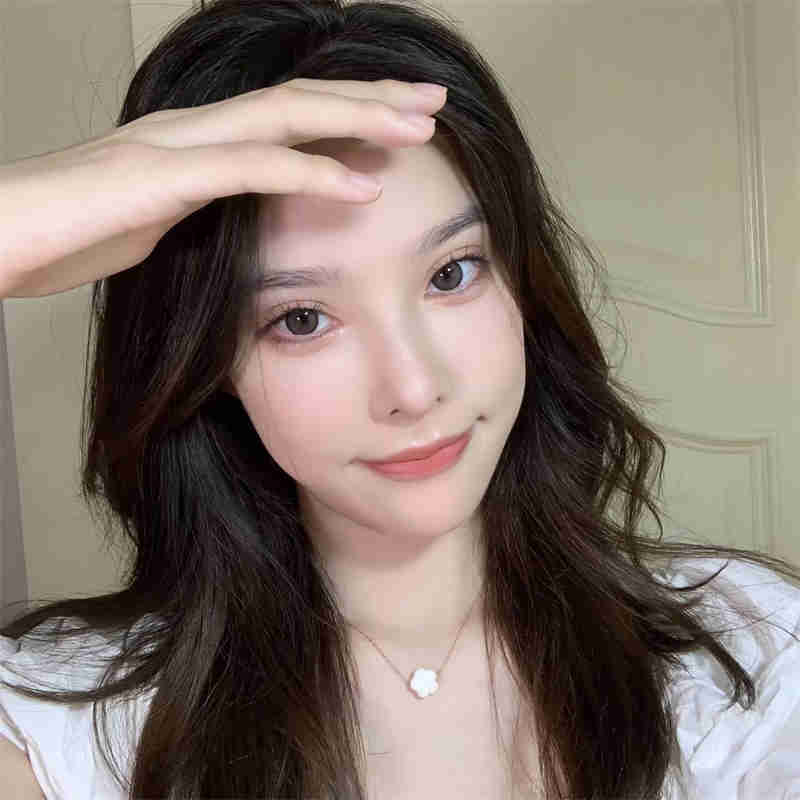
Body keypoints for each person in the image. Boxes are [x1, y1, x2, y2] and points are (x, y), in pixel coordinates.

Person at [0, 1, 799, 798]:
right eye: (302, 319)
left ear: (524, 283)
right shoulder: (81, 726)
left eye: (451, 273)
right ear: (208, 362)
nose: (413, 389)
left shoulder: (746, 657)